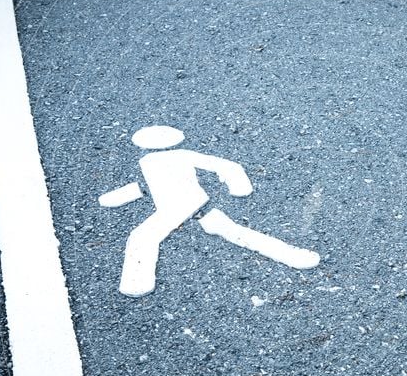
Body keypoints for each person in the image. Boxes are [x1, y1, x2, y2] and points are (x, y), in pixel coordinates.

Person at [99, 125, 319, 297]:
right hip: (192, 205)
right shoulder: (163, 159)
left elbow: (139, 189)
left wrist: (239, 186)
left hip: (179, 207)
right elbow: (226, 166)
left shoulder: (157, 160)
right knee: (232, 231)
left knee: (143, 237)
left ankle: (137, 282)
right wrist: (238, 187)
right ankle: (294, 255)